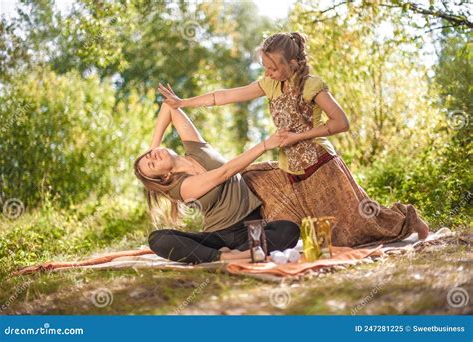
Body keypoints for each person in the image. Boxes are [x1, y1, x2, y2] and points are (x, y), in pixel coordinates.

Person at [157, 32, 430, 248]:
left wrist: (299, 136)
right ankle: (248, 242)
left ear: (294, 64)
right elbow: (223, 96)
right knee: (253, 182)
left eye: (273, 68)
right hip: (291, 171)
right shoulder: (270, 85)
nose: (267, 73)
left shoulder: (312, 85)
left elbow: (340, 123)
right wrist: (184, 102)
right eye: (264, 67)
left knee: (355, 229)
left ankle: (409, 219)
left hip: (322, 166)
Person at [134, 85, 299, 264]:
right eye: (152, 164)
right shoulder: (181, 187)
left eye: (149, 155)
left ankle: (242, 253)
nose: (153, 156)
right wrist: (266, 144)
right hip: (218, 237)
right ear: (165, 176)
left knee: (289, 230)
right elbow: (225, 172)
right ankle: (221, 256)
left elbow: (169, 107)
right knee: (158, 239)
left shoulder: (195, 149)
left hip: (252, 227)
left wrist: (153, 147)